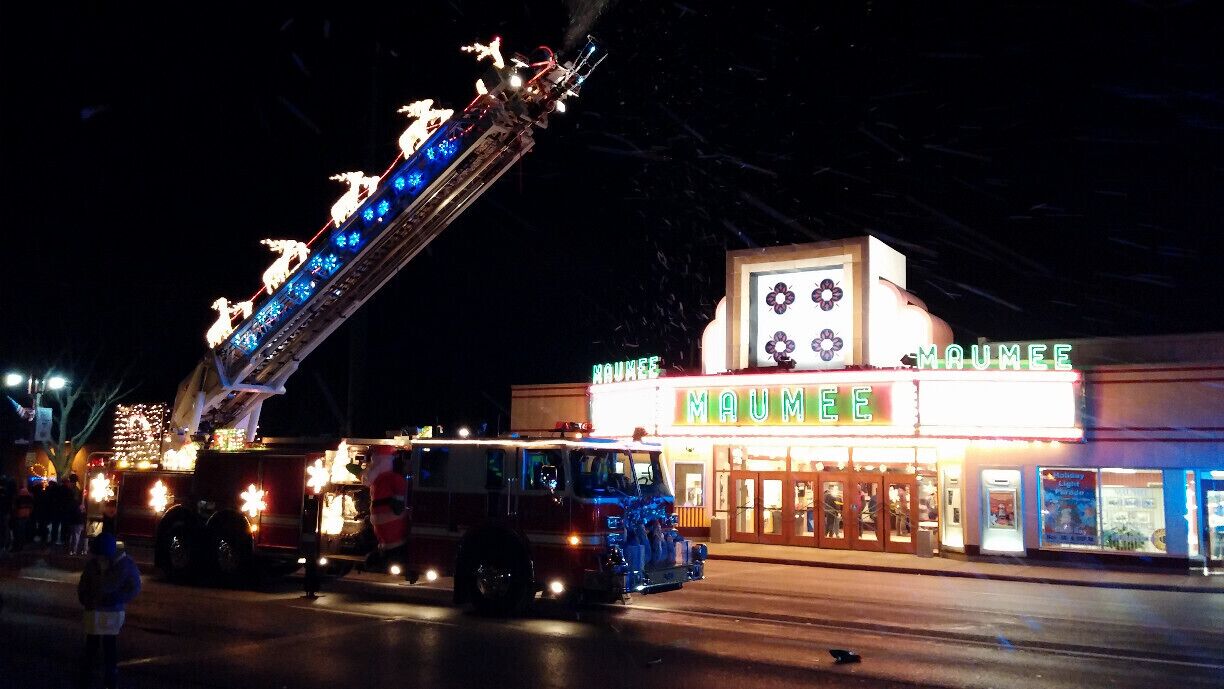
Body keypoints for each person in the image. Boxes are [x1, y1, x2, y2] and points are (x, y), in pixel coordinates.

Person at [78, 532, 141, 689]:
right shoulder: (94, 564)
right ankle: (89, 675)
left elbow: (133, 588)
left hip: (111, 613)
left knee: (108, 646)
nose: (99, 558)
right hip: (95, 612)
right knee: (93, 645)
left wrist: (116, 598)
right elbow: (84, 584)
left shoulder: (124, 564)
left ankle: (109, 677)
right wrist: (85, 598)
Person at [64, 474, 86, 555]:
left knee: (72, 534)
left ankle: (71, 550)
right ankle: (73, 550)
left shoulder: (72, 490)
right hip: (76, 516)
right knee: (75, 534)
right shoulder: (76, 490)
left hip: (72, 515)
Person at [11, 485, 33, 551]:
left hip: (19, 515)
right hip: (26, 515)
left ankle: (19, 544)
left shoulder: (18, 498)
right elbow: (31, 507)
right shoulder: (29, 498)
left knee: (18, 531)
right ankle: (23, 543)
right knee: (23, 530)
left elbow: (14, 508)